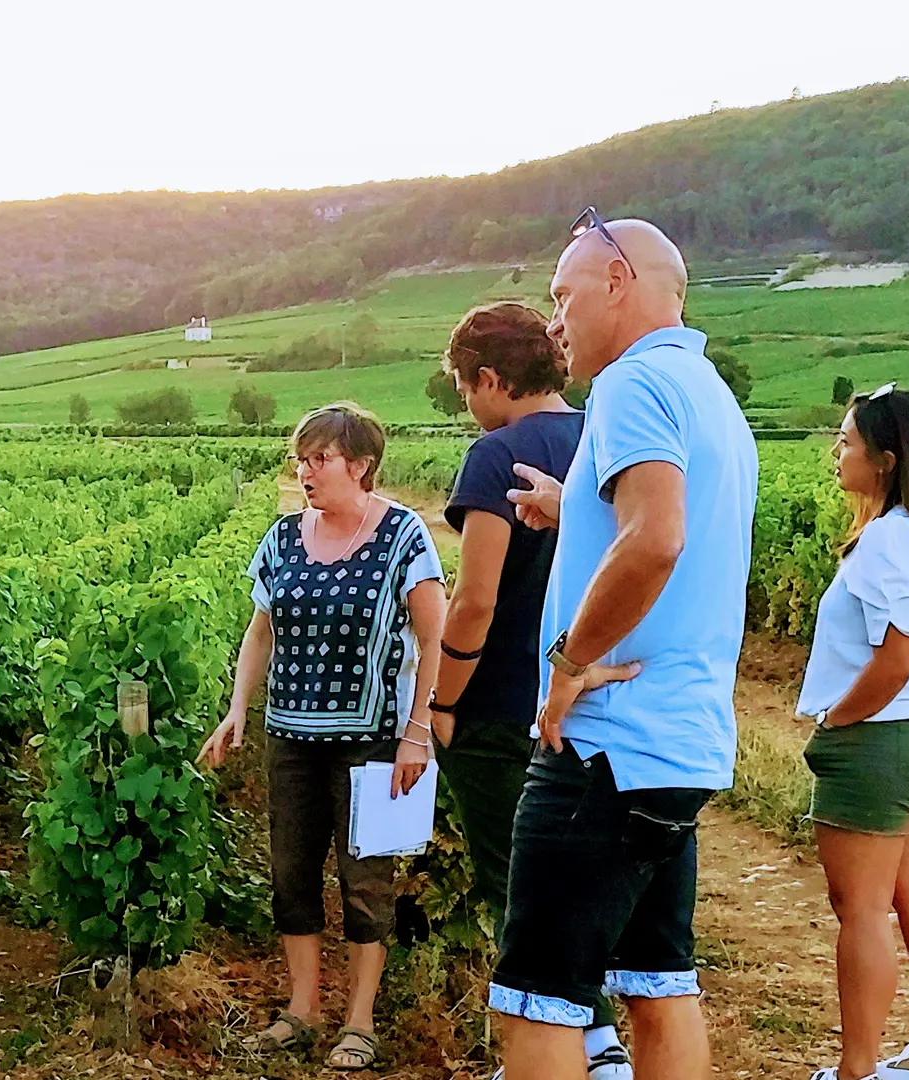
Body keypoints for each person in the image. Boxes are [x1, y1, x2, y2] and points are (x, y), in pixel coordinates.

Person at [490, 214, 757, 1080]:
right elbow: (671, 533)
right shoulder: (707, 393)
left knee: (539, 999)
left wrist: (567, 663)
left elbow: (654, 540)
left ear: (617, 280)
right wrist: (574, 514)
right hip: (679, 742)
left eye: (563, 295)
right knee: (657, 981)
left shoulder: (630, 386)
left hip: (606, 740)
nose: (554, 322)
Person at [198, 401, 447, 1072]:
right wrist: (237, 709)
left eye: (319, 459)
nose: (305, 471)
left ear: (360, 465)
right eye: (300, 459)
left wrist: (416, 734)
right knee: (290, 875)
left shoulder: (401, 536)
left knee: (365, 881)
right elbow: (261, 630)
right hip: (291, 738)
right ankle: (301, 1009)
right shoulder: (281, 537)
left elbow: (433, 639)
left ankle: (358, 1022)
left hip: (371, 740)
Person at [429, 304, 631, 1079]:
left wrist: (441, 702)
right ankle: (598, 1039)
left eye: (463, 386)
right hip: (588, 695)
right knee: (576, 876)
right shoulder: (601, 437)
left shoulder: (496, 456)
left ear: (488, 377)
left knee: (516, 885)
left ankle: (568, 1048)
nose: (466, 403)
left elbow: (474, 599)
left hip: (503, 701)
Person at [797, 388, 909, 1080]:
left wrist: (837, 719)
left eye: (846, 441)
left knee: (861, 910)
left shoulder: (885, 541)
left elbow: (894, 657)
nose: (835, 452)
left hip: (883, 739)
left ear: (885, 461)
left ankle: (855, 1071)